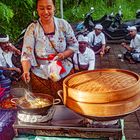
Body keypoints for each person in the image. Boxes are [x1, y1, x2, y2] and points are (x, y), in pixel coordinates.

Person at [21, 0, 78, 98]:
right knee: (43, 103)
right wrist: (26, 71)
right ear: (37, 9)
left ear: (54, 8)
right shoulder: (32, 28)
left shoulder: (63, 24)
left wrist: (63, 55)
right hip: (40, 75)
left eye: (49, 8)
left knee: (66, 102)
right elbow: (27, 53)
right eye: (42, 8)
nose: (46, 12)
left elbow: (74, 45)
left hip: (63, 72)